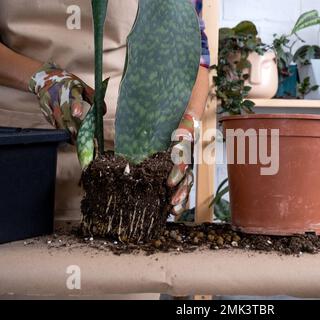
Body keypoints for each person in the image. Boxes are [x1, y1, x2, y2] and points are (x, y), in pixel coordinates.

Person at [0, 0, 210, 218]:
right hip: (16, 151)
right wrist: (42, 78)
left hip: (128, 159)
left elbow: (193, 52)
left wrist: (187, 126)